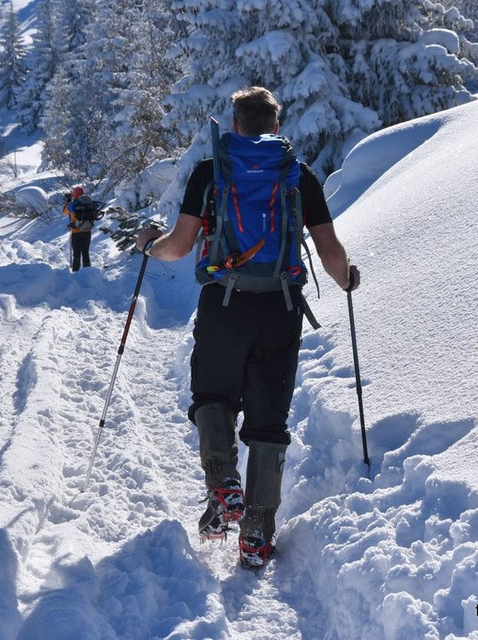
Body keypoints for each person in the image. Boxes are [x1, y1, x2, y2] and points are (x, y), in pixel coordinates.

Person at [135, 86, 360, 570]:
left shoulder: (211, 172)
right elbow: (330, 252)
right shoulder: (297, 174)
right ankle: (256, 534)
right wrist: (347, 278)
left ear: (235, 125)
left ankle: (222, 480)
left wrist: (148, 246)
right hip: (280, 307)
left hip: (224, 301)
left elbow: (178, 247)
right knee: (268, 419)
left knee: (212, 396)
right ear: (276, 126)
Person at [63, 185, 95, 272]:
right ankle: (87, 273)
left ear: (74, 195)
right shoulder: (89, 203)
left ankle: (76, 273)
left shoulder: (72, 204)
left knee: (77, 254)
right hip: (87, 231)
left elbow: (64, 212)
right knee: (85, 253)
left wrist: (68, 200)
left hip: (76, 232)